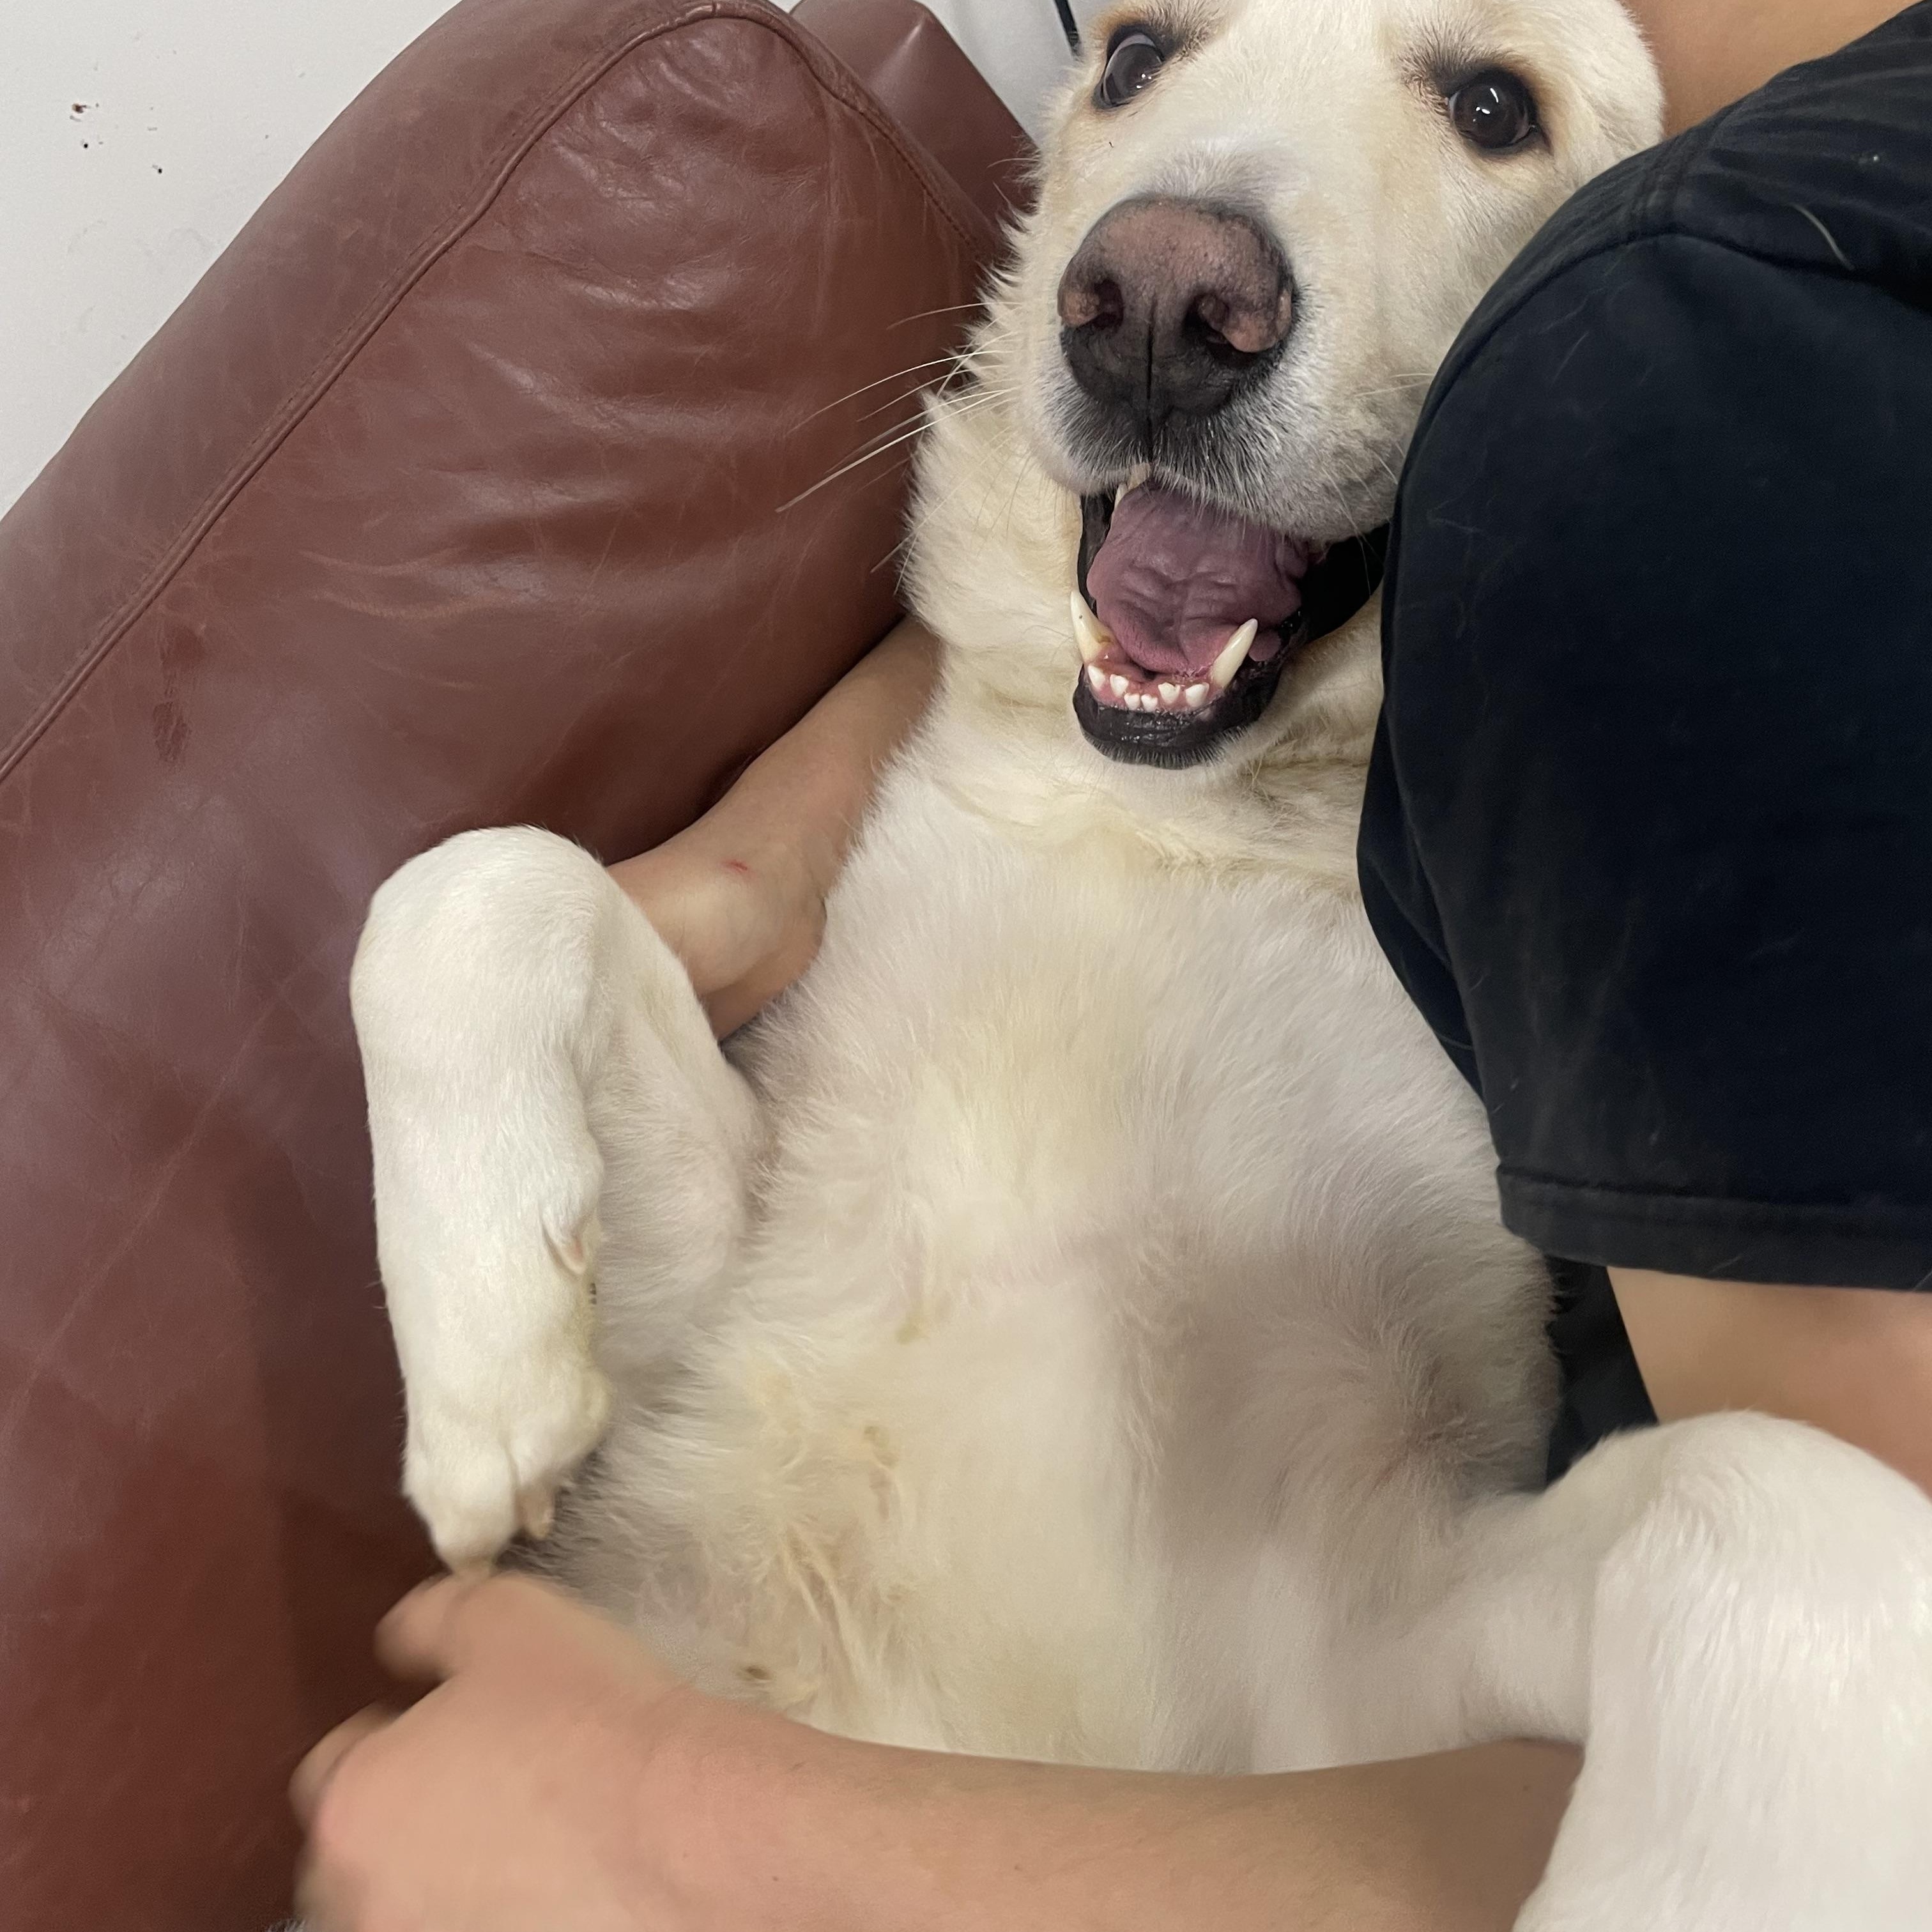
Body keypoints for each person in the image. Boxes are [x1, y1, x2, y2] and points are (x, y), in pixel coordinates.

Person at [291, 0, 1932, 1924]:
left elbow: (1410, 1640)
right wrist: (495, 945)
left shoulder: (1518, 786)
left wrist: (1783, 1595)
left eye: (1491, 105)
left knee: (1794, 1567)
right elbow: (682, 1316)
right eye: (1143, 54)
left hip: (899, 1819)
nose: (1174, 251)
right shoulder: (955, 781)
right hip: (632, 1724)